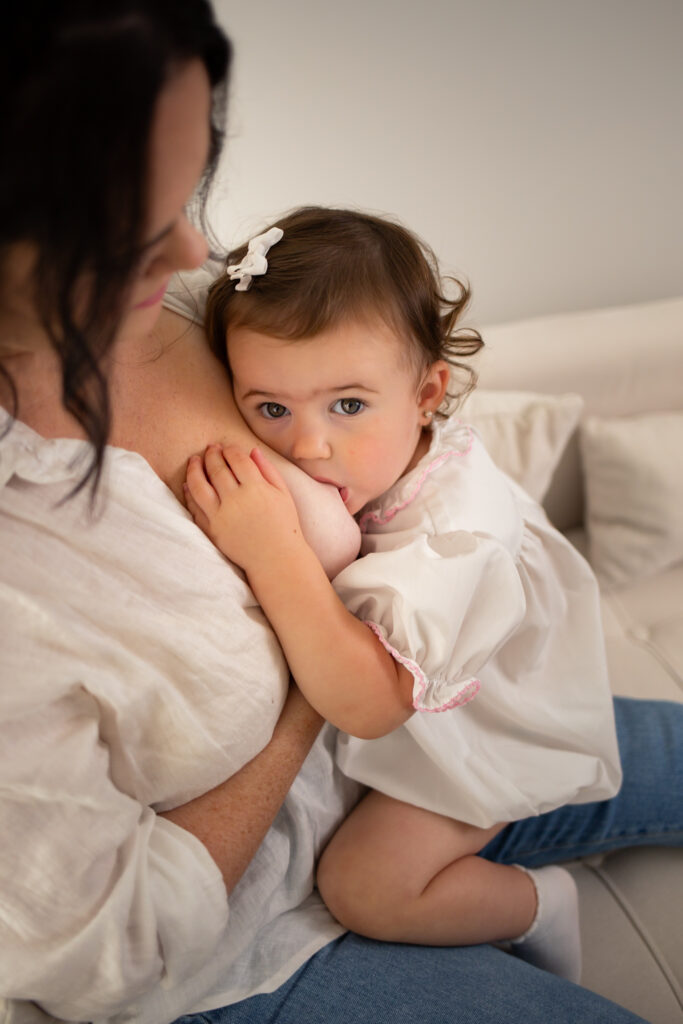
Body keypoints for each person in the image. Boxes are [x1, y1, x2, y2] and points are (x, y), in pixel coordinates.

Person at [0, 5, 681, 1024]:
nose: (196, 249)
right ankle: (540, 906)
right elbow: (111, 947)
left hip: (417, 736)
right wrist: (307, 660)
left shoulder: (195, 302)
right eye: (130, 227)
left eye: (189, 188)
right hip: (244, 941)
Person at [183, 206, 622, 983]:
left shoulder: (455, 538)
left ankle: (536, 904)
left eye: (348, 405)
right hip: (403, 686)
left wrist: (272, 552)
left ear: (426, 394)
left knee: (365, 887)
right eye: (271, 409)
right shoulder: (349, 464)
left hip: (486, 729)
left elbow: (370, 705)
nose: (307, 445)